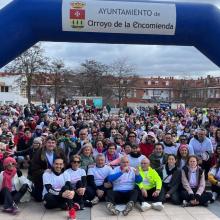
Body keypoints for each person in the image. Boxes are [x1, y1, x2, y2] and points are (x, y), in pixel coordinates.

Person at [31, 135, 66, 201]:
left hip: (57, 176)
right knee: (38, 198)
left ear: (55, 143)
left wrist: (59, 169)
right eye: (49, 142)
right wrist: (44, 171)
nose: (51, 144)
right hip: (42, 177)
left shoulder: (60, 151)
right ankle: (32, 188)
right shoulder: (39, 153)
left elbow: (65, 163)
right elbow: (34, 169)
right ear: (45, 143)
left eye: (53, 142)